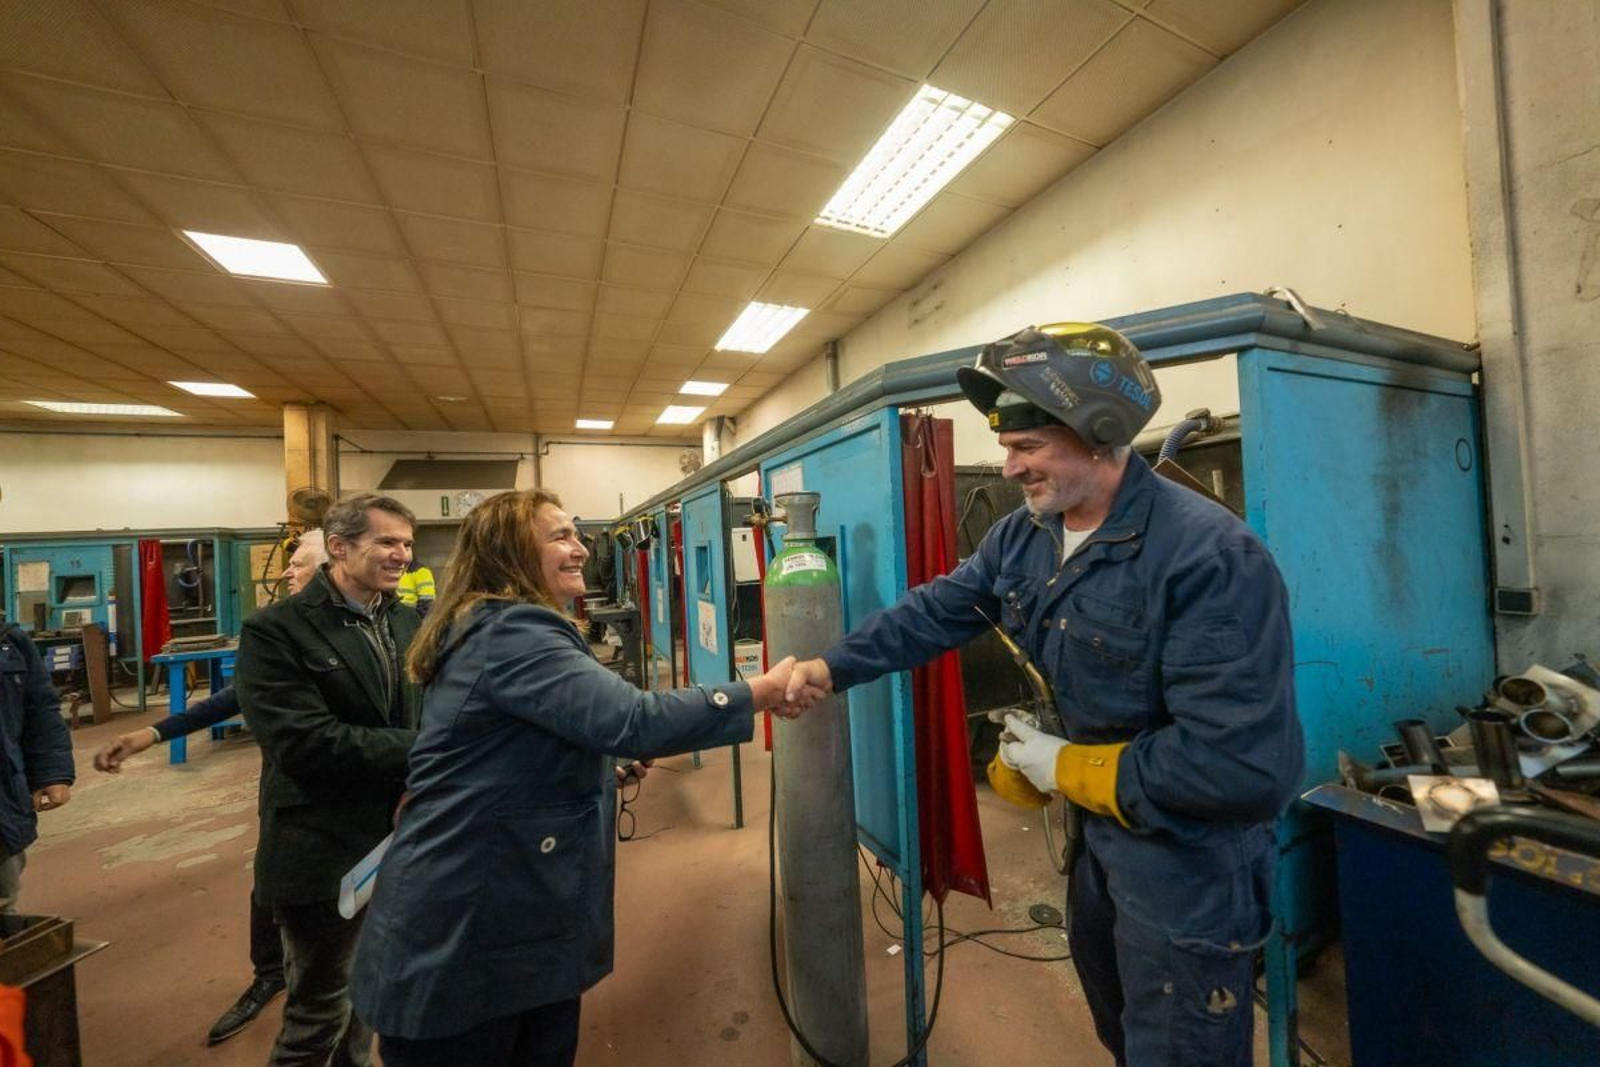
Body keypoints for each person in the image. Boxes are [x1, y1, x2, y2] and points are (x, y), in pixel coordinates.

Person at [785, 323, 1305, 1066]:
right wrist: (829, 668)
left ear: (1098, 430)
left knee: (1181, 1049)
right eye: (1008, 446)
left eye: (1027, 445)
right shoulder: (1024, 536)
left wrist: (1069, 767)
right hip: (1098, 847)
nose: (1009, 465)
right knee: (1122, 1029)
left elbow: (1241, 767)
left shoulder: (1210, 558)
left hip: (1190, 868)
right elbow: (938, 610)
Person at [350, 489, 805, 1067]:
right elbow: (634, 719)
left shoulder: (495, 627)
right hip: (468, 932)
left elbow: (512, 747)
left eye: (577, 534)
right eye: (560, 536)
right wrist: (757, 691)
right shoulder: (514, 633)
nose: (581, 549)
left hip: (507, 922)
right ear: (512, 553)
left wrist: (600, 765)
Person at [92, 530, 328, 1045]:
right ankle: (269, 974)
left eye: (299, 563)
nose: (287, 572)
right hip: (287, 788)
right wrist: (154, 732)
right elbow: (232, 698)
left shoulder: (378, 629)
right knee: (271, 880)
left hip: (351, 795)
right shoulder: (279, 632)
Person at [238, 495, 422, 1067]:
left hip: (393, 838)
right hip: (321, 848)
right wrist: (429, 750)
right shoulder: (277, 631)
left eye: (407, 544)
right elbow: (305, 743)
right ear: (339, 549)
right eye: (387, 542)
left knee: (370, 997)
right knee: (318, 1014)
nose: (401, 555)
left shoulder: (405, 619)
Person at [0, 617, 74, 914]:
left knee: (3, 902)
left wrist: (51, 772)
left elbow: (40, 708)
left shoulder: (9, 641)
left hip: (2, 800)